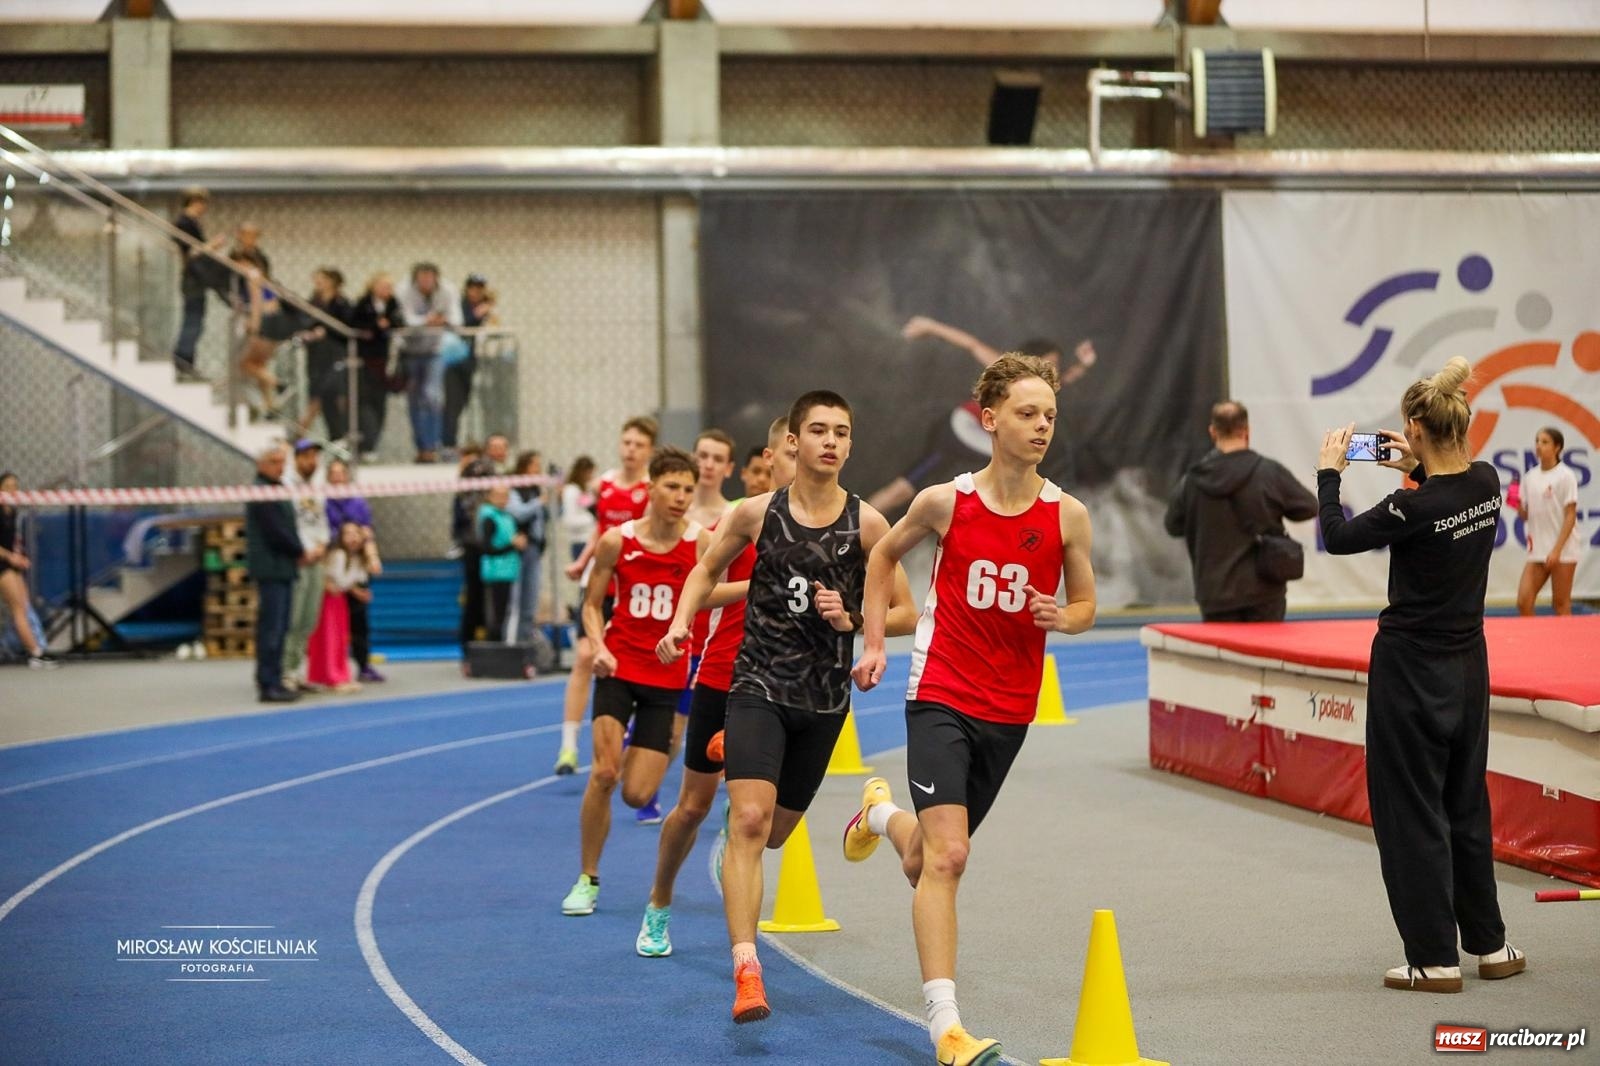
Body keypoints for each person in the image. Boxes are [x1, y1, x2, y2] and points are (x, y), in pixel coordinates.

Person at [844, 355, 1096, 1066]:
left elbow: (1085, 605)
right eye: (1027, 412)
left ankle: (880, 816)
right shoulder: (944, 502)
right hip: (941, 691)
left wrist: (1063, 617)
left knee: (925, 858)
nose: (1042, 424)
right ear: (989, 419)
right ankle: (945, 1027)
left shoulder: (1066, 514)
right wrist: (872, 642)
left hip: (1009, 707)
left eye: (1049, 413)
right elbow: (881, 557)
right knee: (951, 856)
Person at [656, 391, 917, 1024]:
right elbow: (703, 570)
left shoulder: (871, 526)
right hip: (758, 684)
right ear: (793, 443)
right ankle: (748, 969)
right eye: (819, 431)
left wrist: (854, 620)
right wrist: (681, 621)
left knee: (773, 832)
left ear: (851, 445)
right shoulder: (755, 512)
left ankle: (781, 778)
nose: (831, 441)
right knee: (748, 821)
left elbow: (908, 611)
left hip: (824, 701)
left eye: (842, 432)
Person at [1316, 357, 1526, 994]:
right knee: (1465, 802)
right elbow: (1445, 493)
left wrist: (1331, 472)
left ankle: (1433, 957)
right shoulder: (1485, 483)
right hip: (1468, 667)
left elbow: (1338, 536)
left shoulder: (1409, 510)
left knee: (1410, 811)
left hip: (1410, 671)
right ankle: (1489, 946)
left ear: (1414, 425)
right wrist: (1413, 466)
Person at [635, 416, 796, 957]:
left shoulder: (830, 524)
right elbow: (699, 587)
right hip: (724, 673)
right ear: (770, 460)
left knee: (762, 822)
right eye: (788, 454)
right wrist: (754, 585)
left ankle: (742, 940)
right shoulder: (740, 520)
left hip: (782, 683)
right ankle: (659, 902)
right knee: (692, 806)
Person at [561, 448, 711, 917]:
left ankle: (624, 742)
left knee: (638, 794)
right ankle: (587, 878)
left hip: (666, 679)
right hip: (619, 668)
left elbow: (712, 592)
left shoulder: (701, 544)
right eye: (672, 486)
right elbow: (590, 604)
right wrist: (597, 644)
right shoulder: (615, 541)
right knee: (605, 774)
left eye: (688, 489)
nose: (681, 497)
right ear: (650, 487)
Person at [868, 316, 1097, 513]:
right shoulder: (1009, 371)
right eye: (1049, 363)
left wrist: (1084, 365)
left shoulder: (1040, 386)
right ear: (1031, 360)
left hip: (975, 432)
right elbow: (971, 344)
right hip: (964, 426)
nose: (1053, 371)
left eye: (1055, 366)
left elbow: (1064, 380)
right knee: (1016, 457)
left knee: (903, 489)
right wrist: (930, 327)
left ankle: (857, 524)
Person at [633, 427, 739, 826]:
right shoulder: (672, 510)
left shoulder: (735, 516)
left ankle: (722, 785)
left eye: (716, 459)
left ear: (728, 468)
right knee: (672, 728)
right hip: (661, 632)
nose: (708, 465)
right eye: (703, 456)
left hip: (707, 640)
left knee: (689, 726)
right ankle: (650, 778)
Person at [554, 417, 658, 775]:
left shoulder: (652, 490)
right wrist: (581, 561)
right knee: (584, 655)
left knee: (626, 664)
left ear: (650, 451)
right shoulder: (606, 485)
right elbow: (602, 531)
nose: (630, 449)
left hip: (635, 589)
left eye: (638, 445)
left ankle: (627, 734)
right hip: (600, 582)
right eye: (626, 442)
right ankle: (568, 746)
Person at [1163, 400, 1318, 621]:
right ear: (1246, 430)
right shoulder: (1269, 472)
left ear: (1213, 432)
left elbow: (1172, 525)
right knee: (1265, 654)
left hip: (1214, 594)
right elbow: (1309, 507)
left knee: (1222, 656)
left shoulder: (1192, 480)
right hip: (1264, 591)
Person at [244, 446, 303, 703]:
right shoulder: (262, 492)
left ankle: (275, 678)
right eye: (275, 462)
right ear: (261, 464)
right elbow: (275, 531)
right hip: (271, 568)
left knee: (280, 627)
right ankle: (268, 682)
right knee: (272, 627)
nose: (280, 467)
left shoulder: (277, 488)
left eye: (282, 462)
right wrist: (299, 550)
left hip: (283, 568)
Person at [324, 458, 384, 683]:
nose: (338, 477)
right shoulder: (323, 501)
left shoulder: (358, 502)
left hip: (356, 565)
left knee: (360, 624)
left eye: (341, 473)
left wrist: (372, 558)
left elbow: (367, 533)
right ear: (328, 477)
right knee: (335, 627)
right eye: (334, 473)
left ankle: (363, 665)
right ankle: (332, 668)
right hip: (334, 568)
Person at [396, 262, 463, 463]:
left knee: (432, 397)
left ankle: (433, 444)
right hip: (410, 350)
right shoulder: (403, 290)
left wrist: (441, 320)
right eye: (422, 278)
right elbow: (405, 319)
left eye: (429, 278)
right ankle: (421, 446)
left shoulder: (448, 290)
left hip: (434, 350)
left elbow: (457, 319)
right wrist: (427, 320)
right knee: (414, 400)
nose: (426, 282)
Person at [1515, 426, 1581, 616]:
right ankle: (1534, 643)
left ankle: (1567, 645)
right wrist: (1518, 507)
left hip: (1563, 550)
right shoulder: (1529, 477)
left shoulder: (1565, 476)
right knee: (1524, 600)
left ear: (1557, 447)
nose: (1538, 446)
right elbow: (1526, 515)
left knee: (1560, 604)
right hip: (1537, 550)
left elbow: (1570, 514)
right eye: (1537, 441)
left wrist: (1557, 550)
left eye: (1544, 442)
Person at [281, 440, 330, 690]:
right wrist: (301, 550)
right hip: (298, 557)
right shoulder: (286, 485)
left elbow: (321, 520)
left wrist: (323, 544)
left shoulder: (317, 486)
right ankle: (285, 670)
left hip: (317, 557)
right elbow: (288, 524)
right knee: (294, 616)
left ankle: (298, 670)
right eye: (307, 456)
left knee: (310, 618)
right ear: (297, 458)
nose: (313, 461)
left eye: (315, 456)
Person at [0, 472, 58, 669]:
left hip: (10, 563)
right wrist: (10, 557)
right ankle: (35, 654)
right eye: (7, 486)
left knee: (24, 607)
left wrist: (19, 558)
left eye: (15, 486)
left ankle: (35, 650)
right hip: (1, 564)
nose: (12, 490)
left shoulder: (13, 511)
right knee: (18, 609)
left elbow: (9, 541)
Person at [169, 186, 226, 378]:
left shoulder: (190, 222)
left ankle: (186, 360)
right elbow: (193, 252)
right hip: (193, 279)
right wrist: (212, 245)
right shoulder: (184, 223)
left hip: (195, 279)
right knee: (193, 320)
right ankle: (182, 359)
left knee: (195, 321)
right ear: (196, 203)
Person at [305, 521, 366, 694]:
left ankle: (340, 675)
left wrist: (357, 592)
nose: (352, 537)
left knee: (341, 639)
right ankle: (331, 677)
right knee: (329, 639)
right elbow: (329, 576)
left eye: (356, 533)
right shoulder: (338, 554)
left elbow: (353, 580)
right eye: (347, 533)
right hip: (329, 600)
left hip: (340, 600)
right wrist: (326, 584)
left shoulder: (357, 558)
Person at [297, 268, 356, 442]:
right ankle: (333, 435)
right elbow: (305, 321)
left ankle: (302, 431)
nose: (317, 282)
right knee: (317, 393)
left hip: (335, 353)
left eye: (322, 279)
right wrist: (308, 334)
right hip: (316, 355)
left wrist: (325, 332)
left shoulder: (342, 303)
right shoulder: (314, 301)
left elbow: (346, 328)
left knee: (330, 393)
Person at [350, 273, 402, 458]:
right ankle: (365, 443)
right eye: (383, 286)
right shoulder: (363, 304)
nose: (386, 290)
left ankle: (374, 443)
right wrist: (375, 325)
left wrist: (387, 324)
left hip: (384, 359)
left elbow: (399, 322)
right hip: (365, 359)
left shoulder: (394, 305)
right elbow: (356, 324)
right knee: (365, 402)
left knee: (380, 403)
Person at [444, 273, 497, 452]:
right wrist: (477, 314)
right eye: (473, 288)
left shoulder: (484, 308)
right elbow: (462, 325)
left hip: (473, 362)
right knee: (453, 403)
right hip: (455, 362)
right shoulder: (459, 306)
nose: (476, 292)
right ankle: (448, 443)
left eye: (480, 289)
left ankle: (465, 442)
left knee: (467, 403)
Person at [452, 445, 496, 656]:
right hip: (473, 549)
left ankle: (489, 642)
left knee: (492, 598)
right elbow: (459, 522)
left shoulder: (492, 490)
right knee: (473, 597)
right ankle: (468, 646)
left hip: (493, 549)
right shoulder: (464, 494)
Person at [506, 450, 549, 642]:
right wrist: (538, 502)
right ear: (525, 467)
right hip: (518, 550)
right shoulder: (516, 489)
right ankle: (511, 642)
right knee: (515, 600)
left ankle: (526, 640)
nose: (539, 471)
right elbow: (518, 512)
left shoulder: (537, 490)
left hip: (535, 549)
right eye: (535, 466)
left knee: (531, 599)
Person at [478, 485, 528, 642]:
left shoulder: (507, 517)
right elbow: (486, 548)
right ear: (490, 497)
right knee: (496, 615)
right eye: (498, 496)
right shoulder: (489, 517)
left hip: (509, 571)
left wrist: (518, 544)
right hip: (495, 573)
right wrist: (512, 544)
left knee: (505, 613)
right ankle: (493, 649)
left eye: (505, 496)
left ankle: (502, 646)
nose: (502, 500)